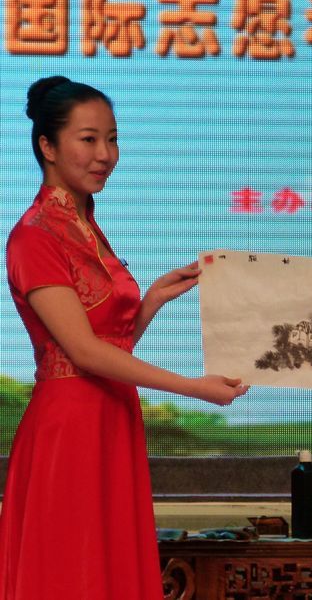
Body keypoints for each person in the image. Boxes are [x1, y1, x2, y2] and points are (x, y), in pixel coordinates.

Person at [0, 76, 249, 599]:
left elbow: (106, 343)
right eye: (89, 139)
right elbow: (83, 352)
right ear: (47, 146)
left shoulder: (85, 226)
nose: (105, 155)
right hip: (69, 427)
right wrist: (195, 388)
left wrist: (151, 299)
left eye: (112, 139)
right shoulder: (34, 236)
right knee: (73, 573)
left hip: (110, 416)